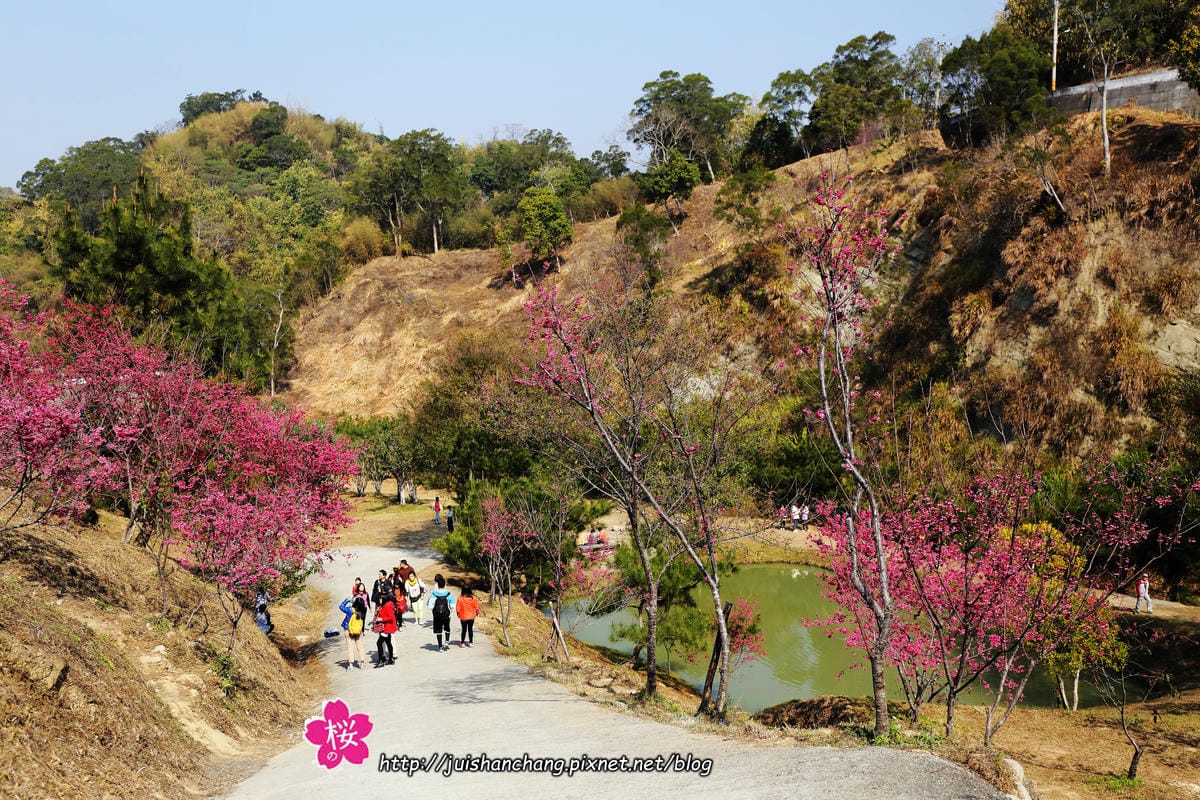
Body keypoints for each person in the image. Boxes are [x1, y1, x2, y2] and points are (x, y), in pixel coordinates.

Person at [427, 574, 456, 651]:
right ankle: (446, 643)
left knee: (438, 630)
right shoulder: (448, 594)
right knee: (447, 628)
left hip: (437, 615)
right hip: (446, 614)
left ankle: (440, 647)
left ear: (438, 585)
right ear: (445, 584)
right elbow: (453, 605)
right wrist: (450, 610)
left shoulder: (434, 594)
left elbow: (430, 606)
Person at [374, 590, 398, 666]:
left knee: (379, 643)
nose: (379, 600)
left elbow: (391, 617)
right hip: (387, 627)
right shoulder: (384, 606)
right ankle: (391, 659)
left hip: (387, 628)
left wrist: (381, 619)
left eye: (380, 599)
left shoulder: (387, 606)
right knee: (388, 643)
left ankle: (381, 660)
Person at [345, 597, 367, 670]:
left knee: (350, 648)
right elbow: (362, 623)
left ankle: (351, 666)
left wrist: (347, 600)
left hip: (349, 631)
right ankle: (362, 663)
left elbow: (341, 607)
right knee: (360, 646)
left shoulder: (350, 610)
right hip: (358, 631)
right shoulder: (363, 611)